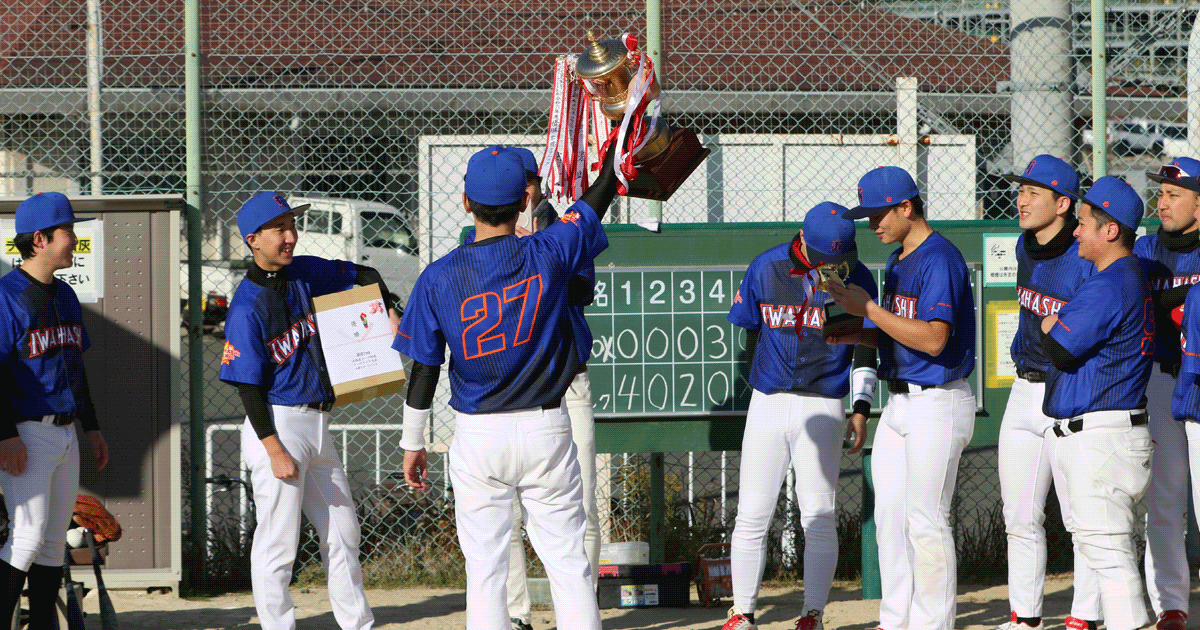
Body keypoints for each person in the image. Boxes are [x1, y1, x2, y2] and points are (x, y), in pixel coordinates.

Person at [395, 145, 621, 630]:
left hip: (479, 435)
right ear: (524, 202)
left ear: (464, 203)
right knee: (568, 565)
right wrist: (614, 167)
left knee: (486, 573)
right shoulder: (547, 251)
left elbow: (425, 368)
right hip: (546, 428)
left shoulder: (437, 277)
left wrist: (413, 442)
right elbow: (590, 207)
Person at [219, 191, 401, 630]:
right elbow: (247, 385)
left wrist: (388, 305)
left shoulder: (303, 273)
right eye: (279, 228)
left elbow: (368, 273)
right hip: (277, 424)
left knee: (343, 531)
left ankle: (357, 623)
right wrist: (274, 449)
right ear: (252, 240)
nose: (290, 236)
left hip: (319, 423)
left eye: (291, 225)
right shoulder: (246, 305)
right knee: (278, 543)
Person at [827, 166, 976, 630]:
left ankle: (933, 624)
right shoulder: (899, 260)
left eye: (878, 215)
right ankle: (896, 621)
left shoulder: (940, 259)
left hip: (938, 399)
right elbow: (899, 335)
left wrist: (868, 309)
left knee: (926, 523)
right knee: (889, 521)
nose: (872, 225)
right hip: (899, 404)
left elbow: (933, 339)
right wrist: (848, 330)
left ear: (906, 207)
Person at [720, 202, 877, 630]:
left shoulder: (857, 276)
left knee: (818, 513)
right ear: (804, 241)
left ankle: (813, 613)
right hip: (770, 400)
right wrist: (761, 382)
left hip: (823, 400)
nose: (835, 268)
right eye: (828, 258)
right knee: (752, 511)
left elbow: (866, 345)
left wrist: (860, 407)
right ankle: (742, 611)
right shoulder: (768, 266)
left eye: (841, 259)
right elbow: (750, 332)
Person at [466, 147, 602, 630]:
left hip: (565, 382)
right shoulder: (480, 233)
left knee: (578, 506)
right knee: (502, 522)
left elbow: (583, 288)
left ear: (537, 187)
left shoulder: (558, 229)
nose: (525, 190)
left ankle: (582, 608)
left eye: (531, 181)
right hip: (505, 392)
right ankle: (516, 615)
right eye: (518, 184)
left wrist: (543, 253)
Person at [1039, 176, 1154, 630]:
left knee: (1110, 557)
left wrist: (1051, 323)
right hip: (1104, 434)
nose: (1075, 231)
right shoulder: (1122, 277)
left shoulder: (1111, 282)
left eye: (1084, 223)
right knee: (1104, 550)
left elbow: (1061, 348)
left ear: (1110, 231)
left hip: (1102, 437)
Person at [996, 155, 1102, 630]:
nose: (1021, 199)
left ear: (1063, 203)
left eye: (1033, 192)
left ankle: (1085, 616)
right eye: (1021, 190)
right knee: (1018, 514)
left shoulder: (1084, 255)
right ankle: (1026, 616)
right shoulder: (1024, 246)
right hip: (1023, 388)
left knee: (1082, 517)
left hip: (1072, 389)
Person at [0, 192, 109, 627]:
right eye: (69, 232)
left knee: (49, 545)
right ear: (41, 239)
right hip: (25, 432)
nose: (75, 239)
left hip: (65, 434)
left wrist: (93, 427)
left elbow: (74, 367)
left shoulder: (63, 294)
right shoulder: (7, 295)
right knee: (25, 541)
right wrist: (5, 433)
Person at [1135, 157, 1200, 630]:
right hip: (1159, 379)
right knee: (1163, 501)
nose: (1162, 202)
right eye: (1160, 193)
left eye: (1174, 195)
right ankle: (1170, 606)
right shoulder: (1144, 249)